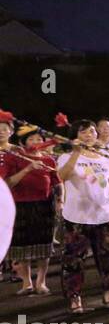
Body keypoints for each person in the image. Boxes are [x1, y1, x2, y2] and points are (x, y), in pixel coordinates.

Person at [57, 119, 109, 314]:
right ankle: (75, 297)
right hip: (76, 217)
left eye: (92, 131)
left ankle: (108, 293)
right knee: (74, 260)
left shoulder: (105, 157)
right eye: (84, 132)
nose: (89, 135)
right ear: (75, 136)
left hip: (103, 215)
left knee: (107, 257)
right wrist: (76, 154)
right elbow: (61, 176)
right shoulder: (67, 156)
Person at [0, 114, 57, 295]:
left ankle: (41, 281)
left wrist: (61, 199)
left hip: (43, 205)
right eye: (31, 139)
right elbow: (7, 182)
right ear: (24, 141)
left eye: (38, 139)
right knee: (21, 246)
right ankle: (26, 282)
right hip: (19, 205)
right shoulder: (14, 156)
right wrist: (27, 169)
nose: (35, 142)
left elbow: (57, 181)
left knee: (43, 245)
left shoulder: (46, 159)